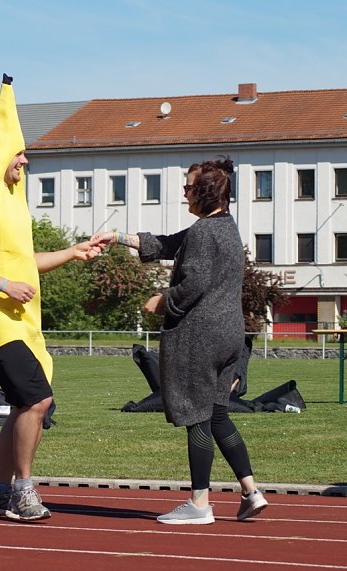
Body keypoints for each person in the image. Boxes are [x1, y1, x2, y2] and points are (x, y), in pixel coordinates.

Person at [0, 74, 102, 522]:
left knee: (26, 405)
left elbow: (22, 260)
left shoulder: (12, 200)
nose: (26, 160)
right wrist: (4, 285)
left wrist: (72, 253)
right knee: (36, 401)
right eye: (19, 152)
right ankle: (23, 490)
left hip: (19, 315)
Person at [94, 158, 267, 524]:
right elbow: (170, 244)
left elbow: (194, 283)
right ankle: (251, 491)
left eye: (188, 187)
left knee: (197, 418)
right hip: (229, 335)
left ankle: (200, 504)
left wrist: (162, 302)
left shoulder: (204, 233)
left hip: (199, 337)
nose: (184, 193)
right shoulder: (225, 228)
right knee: (218, 414)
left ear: (203, 192)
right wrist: (118, 237)